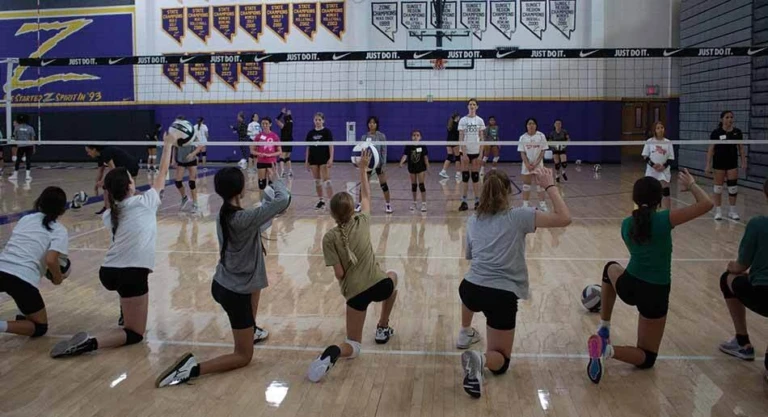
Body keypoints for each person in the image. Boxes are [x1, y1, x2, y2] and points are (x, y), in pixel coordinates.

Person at [154, 168, 290, 387]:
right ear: (240, 189)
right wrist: (277, 181)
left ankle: (251, 329)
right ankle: (192, 369)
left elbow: (262, 219)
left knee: (257, 284)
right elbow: (283, 200)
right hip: (234, 293)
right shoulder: (243, 218)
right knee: (244, 356)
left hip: (224, 282)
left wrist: (267, 207)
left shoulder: (225, 214)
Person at [49, 132, 175, 359]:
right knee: (135, 334)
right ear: (130, 185)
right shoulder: (145, 202)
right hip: (131, 273)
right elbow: (163, 172)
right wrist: (168, 145)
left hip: (108, 272)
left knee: (126, 289)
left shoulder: (110, 214)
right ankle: (90, 343)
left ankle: (123, 313)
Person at [586, 169, 713, 384]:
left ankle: (604, 326)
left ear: (635, 199)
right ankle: (607, 351)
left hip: (630, 286)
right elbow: (707, 204)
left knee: (610, 268)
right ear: (660, 198)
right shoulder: (665, 220)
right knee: (647, 358)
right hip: (655, 293)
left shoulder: (626, 224)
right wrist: (691, 185)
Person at [457, 168, 571, 398]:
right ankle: (481, 359)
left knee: (472, 282)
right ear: (508, 191)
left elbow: (470, 256)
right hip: (501, 296)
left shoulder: (472, 220)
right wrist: (550, 186)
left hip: (470, 289)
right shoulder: (520, 216)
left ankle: (464, 331)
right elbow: (564, 218)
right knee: (501, 362)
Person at [307, 149, 398, 382]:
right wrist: (363, 170)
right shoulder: (363, 221)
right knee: (393, 277)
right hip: (379, 285)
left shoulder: (329, 238)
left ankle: (333, 353)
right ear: (353, 209)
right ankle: (382, 326)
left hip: (355, 294)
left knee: (353, 346)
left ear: (333, 214)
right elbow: (367, 195)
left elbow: (339, 274)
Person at [716, 179, 768, 382]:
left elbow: (740, 266)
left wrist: (732, 266)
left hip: (763, 294)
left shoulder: (758, 224)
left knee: (727, 278)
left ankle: (742, 341)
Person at [0, 187, 69, 338]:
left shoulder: (25, 219)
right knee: (39, 328)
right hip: (22, 279)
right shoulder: (59, 230)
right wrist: (58, 278)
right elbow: (51, 260)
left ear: (39, 202)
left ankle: (23, 314)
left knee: (23, 304)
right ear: (62, 209)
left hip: (2, 267)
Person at [706, 110, 747, 220]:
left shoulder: (737, 132)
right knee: (718, 188)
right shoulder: (716, 132)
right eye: (727, 117)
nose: (730, 119)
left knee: (733, 188)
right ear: (722, 119)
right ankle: (718, 211)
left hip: (732, 163)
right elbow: (711, 149)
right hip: (719, 163)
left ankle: (732, 211)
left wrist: (743, 162)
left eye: (731, 117)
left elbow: (741, 149)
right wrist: (708, 165)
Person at [86, 144, 140, 215]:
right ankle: (107, 208)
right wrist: (96, 186)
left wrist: (103, 181)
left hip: (130, 166)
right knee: (107, 187)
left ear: (94, 149)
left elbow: (113, 170)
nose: (88, 154)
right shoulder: (100, 156)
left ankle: (141, 200)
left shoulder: (106, 153)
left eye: (88, 151)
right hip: (122, 168)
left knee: (127, 188)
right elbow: (100, 172)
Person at [356, 116, 392, 213]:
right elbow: (361, 150)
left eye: (374, 123)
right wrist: (361, 164)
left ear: (376, 124)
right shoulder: (364, 137)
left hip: (379, 163)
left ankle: (388, 205)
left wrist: (383, 164)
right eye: (370, 123)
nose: (371, 124)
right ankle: (359, 204)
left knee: (383, 184)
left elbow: (384, 151)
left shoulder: (381, 136)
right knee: (364, 184)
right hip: (368, 163)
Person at [458, 99, 486, 211]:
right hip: (465, 151)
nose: (472, 106)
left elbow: (482, 138)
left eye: (474, 104)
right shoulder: (463, 120)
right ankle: (464, 202)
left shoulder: (480, 120)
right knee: (465, 177)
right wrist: (463, 153)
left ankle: (477, 201)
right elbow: (461, 137)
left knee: (475, 177)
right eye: (470, 104)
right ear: (467, 107)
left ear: (477, 107)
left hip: (476, 151)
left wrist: (480, 154)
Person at [642, 121, 675, 210]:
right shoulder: (650, 141)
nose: (660, 130)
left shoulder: (668, 142)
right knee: (650, 192)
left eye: (662, 128)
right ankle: (651, 210)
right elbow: (645, 156)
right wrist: (653, 165)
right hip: (652, 171)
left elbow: (671, 158)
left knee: (666, 191)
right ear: (654, 130)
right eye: (658, 128)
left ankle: (667, 212)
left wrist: (663, 166)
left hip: (664, 171)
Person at [304, 112, 334, 210]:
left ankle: (332, 202)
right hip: (313, 159)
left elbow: (331, 146)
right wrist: (307, 160)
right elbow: (308, 147)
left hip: (324, 158)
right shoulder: (310, 133)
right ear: (314, 121)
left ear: (323, 121)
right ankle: (321, 201)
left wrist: (331, 158)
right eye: (316, 120)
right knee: (317, 181)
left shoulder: (327, 132)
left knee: (327, 181)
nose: (317, 121)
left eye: (319, 120)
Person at [518, 118, 549, 211]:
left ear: (536, 125)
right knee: (526, 185)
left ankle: (542, 205)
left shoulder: (541, 136)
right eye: (529, 124)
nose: (531, 125)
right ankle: (525, 205)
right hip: (527, 165)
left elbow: (543, 150)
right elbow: (522, 152)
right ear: (526, 126)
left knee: (540, 185)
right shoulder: (523, 137)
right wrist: (527, 164)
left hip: (538, 165)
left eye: (533, 123)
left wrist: (536, 163)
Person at [400, 129, 429, 212]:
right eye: (414, 135)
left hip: (421, 168)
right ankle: (414, 203)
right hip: (412, 167)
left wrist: (428, 166)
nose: (415, 137)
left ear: (420, 137)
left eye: (417, 135)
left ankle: (424, 204)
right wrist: (401, 162)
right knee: (413, 186)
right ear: (411, 137)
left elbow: (425, 157)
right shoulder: (409, 146)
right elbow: (405, 155)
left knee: (421, 185)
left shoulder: (422, 146)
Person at [253, 116, 282, 196]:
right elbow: (252, 150)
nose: (264, 125)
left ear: (270, 124)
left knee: (271, 184)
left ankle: (272, 202)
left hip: (271, 162)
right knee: (261, 184)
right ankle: (262, 202)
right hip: (261, 161)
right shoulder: (258, 136)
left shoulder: (274, 136)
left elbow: (280, 151)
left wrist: (269, 154)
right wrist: (259, 154)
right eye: (263, 123)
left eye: (266, 123)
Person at [9, 115, 35, 182]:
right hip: (29, 146)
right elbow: (32, 139)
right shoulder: (30, 128)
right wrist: (34, 147)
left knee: (18, 161)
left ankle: (15, 175)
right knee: (28, 160)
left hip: (21, 146)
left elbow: (15, 138)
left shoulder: (16, 128)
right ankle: (27, 176)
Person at [439, 112, 461, 181]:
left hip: (448, 142)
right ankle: (458, 174)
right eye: (459, 117)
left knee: (450, 156)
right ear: (457, 117)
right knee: (457, 157)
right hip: (455, 142)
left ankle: (443, 171)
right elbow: (459, 134)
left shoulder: (450, 124)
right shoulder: (457, 125)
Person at [275, 107, 294, 177]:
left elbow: (276, 120)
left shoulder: (283, 126)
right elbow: (291, 120)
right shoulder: (291, 124)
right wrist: (289, 114)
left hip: (284, 142)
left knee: (282, 157)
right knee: (287, 157)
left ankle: (282, 171)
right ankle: (290, 171)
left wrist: (282, 113)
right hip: (290, 142)